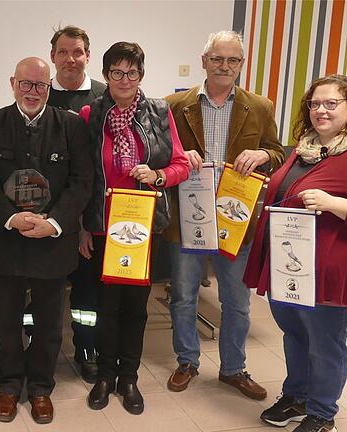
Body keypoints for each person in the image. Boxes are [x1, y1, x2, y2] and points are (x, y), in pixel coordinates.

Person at [0, 57, 92, 425]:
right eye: (26, 84)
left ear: (49, 86)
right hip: (6, 239)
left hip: (53, 242)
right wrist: (11, 217)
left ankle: (40, 388)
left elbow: (81, 181)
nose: (33, 92)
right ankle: (9, 386)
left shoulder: (70, 126)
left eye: (40, 85)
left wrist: (53, 222)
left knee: (49, 323)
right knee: (6, 320)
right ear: (13, 83)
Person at [163, 31, 284, 399]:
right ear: (204, 61)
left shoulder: (260, 107)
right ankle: (187, 361)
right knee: (183, 296)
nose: (224, 66)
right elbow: (159, 154)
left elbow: (278, 153)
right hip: (189, 218)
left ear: (241, 65)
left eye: (233, 60)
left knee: (237, 301)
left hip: (236, 219)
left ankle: (233, 369)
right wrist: (180, 159)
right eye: (217, 59)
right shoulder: (174, 104)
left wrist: (263, 156)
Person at [84, 41, 190, 415]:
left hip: (144, 228)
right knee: (105, 305)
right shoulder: (90, 114)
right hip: (102, 225)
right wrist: (83, 227)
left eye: (131, 72)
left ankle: (129, 376)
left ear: (141, 75)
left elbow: (181, 164)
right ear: (106, 76)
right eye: (116, 72)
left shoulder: (160, 111)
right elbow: (83, 176)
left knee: (136, 307)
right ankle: (104, 375)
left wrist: (158, 175)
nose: (124, 79)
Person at [244, 74, 347, 432]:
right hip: (287, 265)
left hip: (327, 269)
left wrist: (335, 204)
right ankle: (297, 394)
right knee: (294, 333)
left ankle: (322, 413)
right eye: (315, 103)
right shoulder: (302, 148)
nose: (321, 110)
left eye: (331, 103)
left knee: (325, 343)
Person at [46, 24, 107, 384]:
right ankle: (38, 346)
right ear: (53, 56)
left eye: (78, 52)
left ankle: (87, 348)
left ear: (87, 55)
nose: (71, 59)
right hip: (45, 218)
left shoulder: (103, 97)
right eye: (63, 52)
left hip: (89, 215)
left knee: (87, 291)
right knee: (39, 290)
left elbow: (98, 168)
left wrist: (84, 222)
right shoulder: (38, 94)